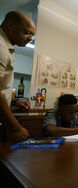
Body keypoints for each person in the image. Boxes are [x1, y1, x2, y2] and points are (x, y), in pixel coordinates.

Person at [0, 11, 36, 142]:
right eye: (27, 32)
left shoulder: (7, 46)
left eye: (33, 34)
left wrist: (14, 101)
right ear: (10, 26)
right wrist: (16, 128)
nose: (31, 38)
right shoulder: (1, 47)